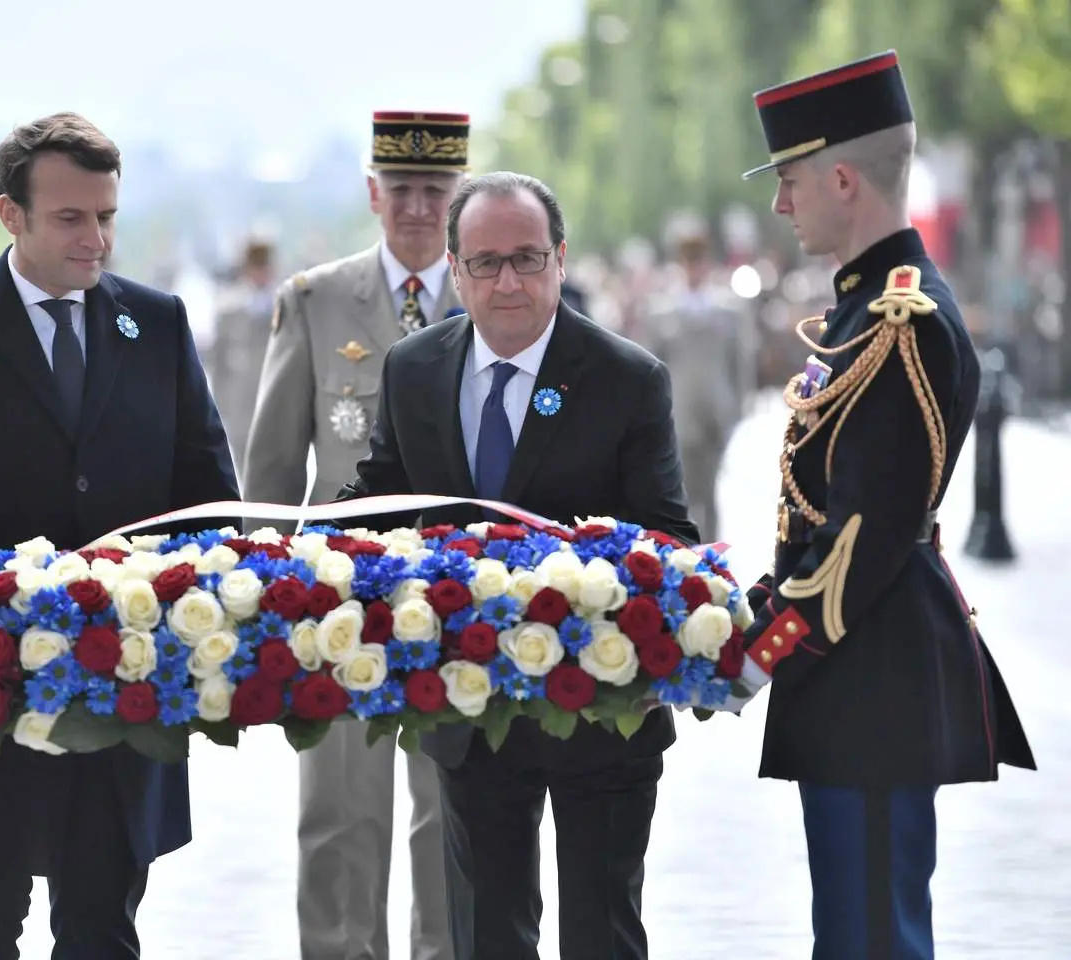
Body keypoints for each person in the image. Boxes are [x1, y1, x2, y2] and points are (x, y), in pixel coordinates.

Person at [0, 111, 238, 960]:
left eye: (107, 216)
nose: (96, 239)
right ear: (11, 215)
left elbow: (209, 497)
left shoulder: (155, 325)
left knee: (101, 928)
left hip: (127, 680)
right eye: (71, 218)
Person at [337, 170, 699, 960]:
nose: (508, 282)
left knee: (601, 935)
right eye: (487, 262)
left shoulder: (627, 377)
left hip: (603, 706)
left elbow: (667, 536)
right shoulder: (413, 368)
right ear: (455, 271)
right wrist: (311, 551)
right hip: (470, 706)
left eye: (528, 259)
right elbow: (385, 496)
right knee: (487, 937)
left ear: (561, 260)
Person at [730, 50, 1036, 958]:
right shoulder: (868, 310)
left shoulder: (905, 322)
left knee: (871, 937)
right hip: (858, 679)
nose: (782, 204)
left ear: (840, 177)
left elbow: (856, 545)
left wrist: (756, 655)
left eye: (789, 181)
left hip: (871, 678)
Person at [242, 110, 470, 960]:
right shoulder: (315, 300)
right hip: (340, 601)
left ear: (459, 196)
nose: (418, 208)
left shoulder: (494, 294)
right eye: (402, 190)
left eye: (435, 191)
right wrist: (263, 592)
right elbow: (270, 469)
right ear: (373, 194)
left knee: (454, 809)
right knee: (340, 812)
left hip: (465, 595)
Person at [640, 232, 754, 540]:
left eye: (699, 261)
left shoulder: (728, 310)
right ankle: (688, 559)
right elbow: (649, 367)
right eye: (688, 262)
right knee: (683, 493)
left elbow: (741, 364)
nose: (694, 268)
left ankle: (713, 556)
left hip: (716, 414)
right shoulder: (662, 312)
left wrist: (740, 406)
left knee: (712, 490)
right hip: (678, 415)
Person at [206, 234, 278, 473]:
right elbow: (218, 361)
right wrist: (220, 405)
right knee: (245, 468)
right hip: (241, 402)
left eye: (264, 266)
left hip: (275, 399)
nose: (261, 273)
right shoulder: (229, 307)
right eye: (256, 266)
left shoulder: (284, 303)